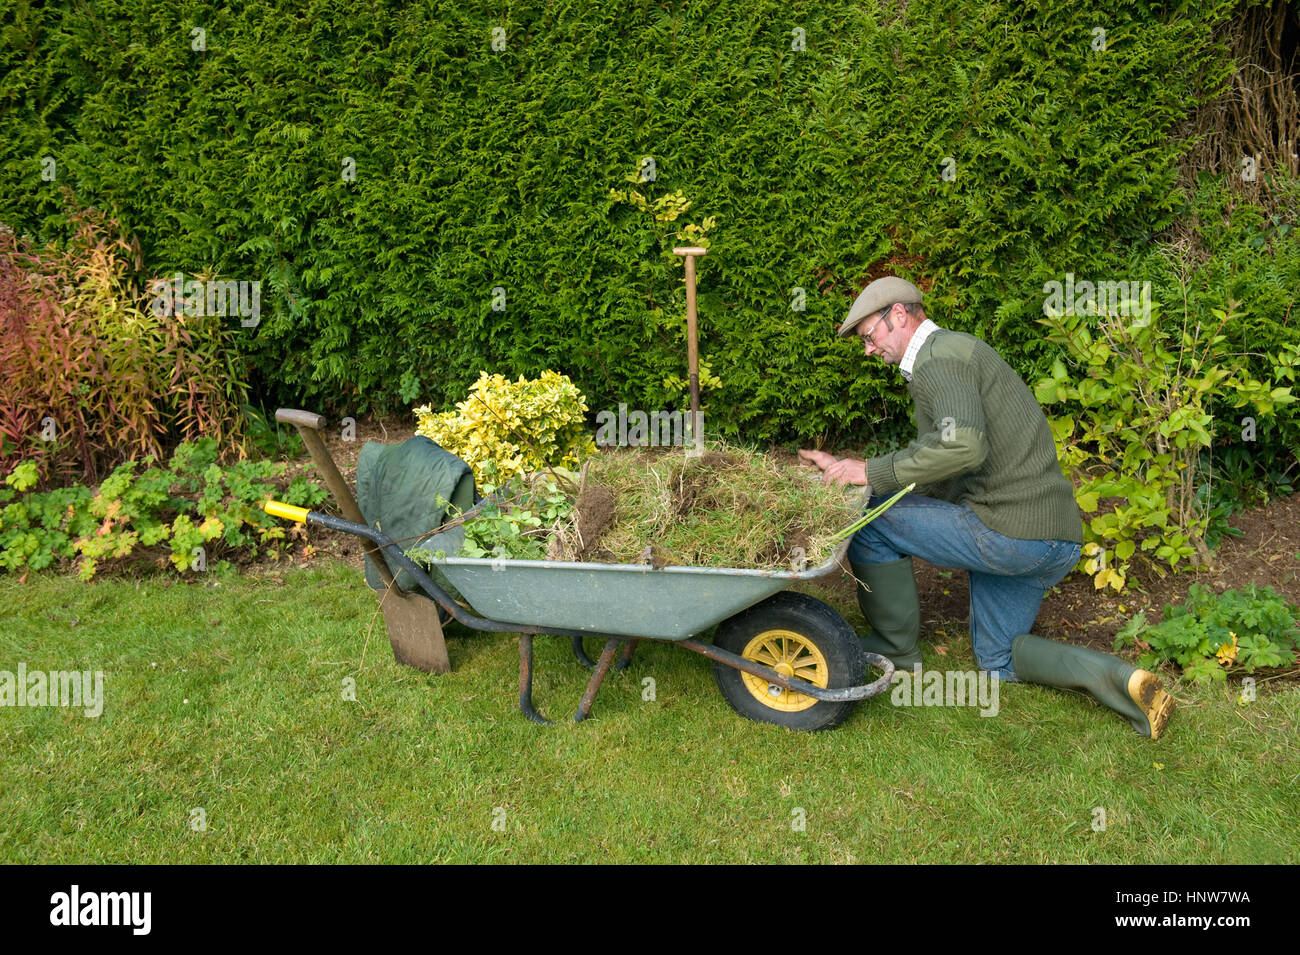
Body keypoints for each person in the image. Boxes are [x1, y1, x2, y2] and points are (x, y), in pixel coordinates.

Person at [799, 276, 1174, 739]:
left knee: (874, 520)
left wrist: (869, 473)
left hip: (1008, 532)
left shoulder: (937, 360)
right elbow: (948, 466)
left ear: (897, 315)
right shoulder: (955, 353)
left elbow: (960, 449)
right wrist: (849, 469)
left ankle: (896, 649)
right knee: (997, 661)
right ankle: (1121, 680)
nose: (869, 349)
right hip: (1052, 540)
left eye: (869, 336)